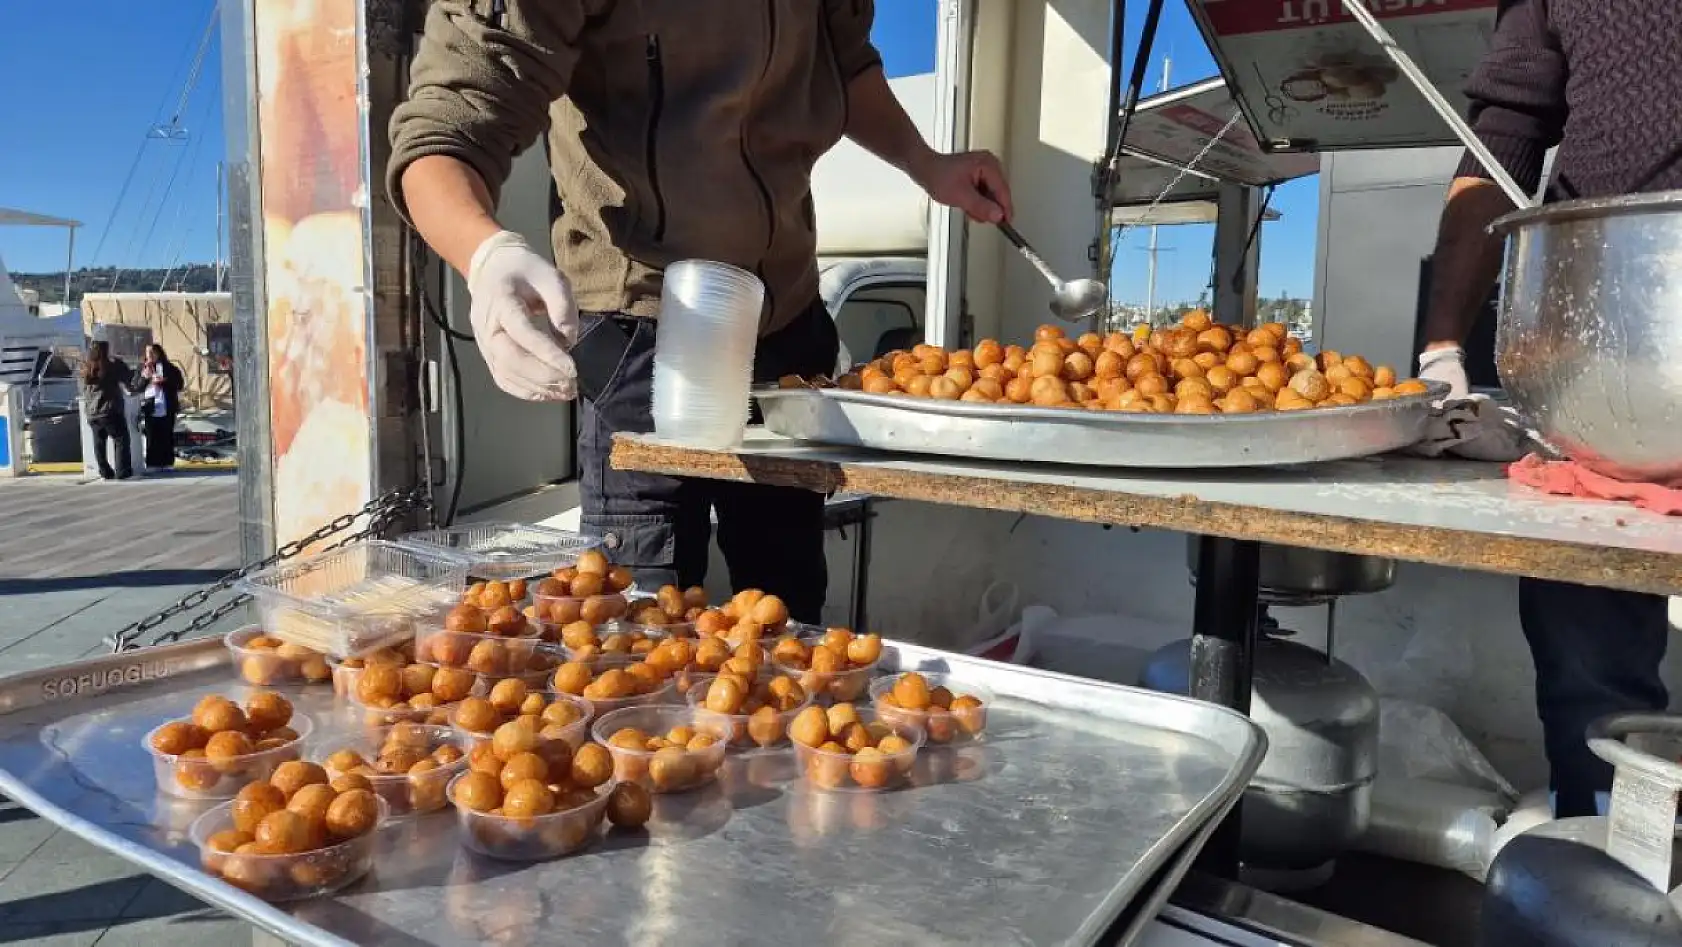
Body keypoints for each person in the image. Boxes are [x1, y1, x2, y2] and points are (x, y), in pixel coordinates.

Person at [389, 2, 1015, 621]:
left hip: (786, 329)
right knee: (636, 614)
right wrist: (487, 255)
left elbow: (846, 66)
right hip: (641, 334)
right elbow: (448, 126)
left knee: (786, 605)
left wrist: (926, 162)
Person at [1421, 0, 1682, 817]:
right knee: (1591, 670)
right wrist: (1440, 351)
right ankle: (1605, 862)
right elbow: (1504, 134)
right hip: (1607, 364)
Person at [80, 340, 135, 481]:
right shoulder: (111, 366)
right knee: (121, 439)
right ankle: (122, 470)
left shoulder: (86, 368)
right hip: (110, 411)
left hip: (92, 413)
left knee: (99, 443)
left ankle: (105, 471)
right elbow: (128, 377)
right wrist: (120, 362)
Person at [135, 343, 184, 472]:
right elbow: (137, 387)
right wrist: (144, 378)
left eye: (153, 352)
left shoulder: (170, 368)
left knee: (167, 435)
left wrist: (165, 381)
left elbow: (179, 385)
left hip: (167, 405)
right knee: (151, 436)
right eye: (148, 352)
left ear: (159, 353)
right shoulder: (142, 368)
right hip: (150, 405)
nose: (150, 355)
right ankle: (152, 463)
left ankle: (167, 462)